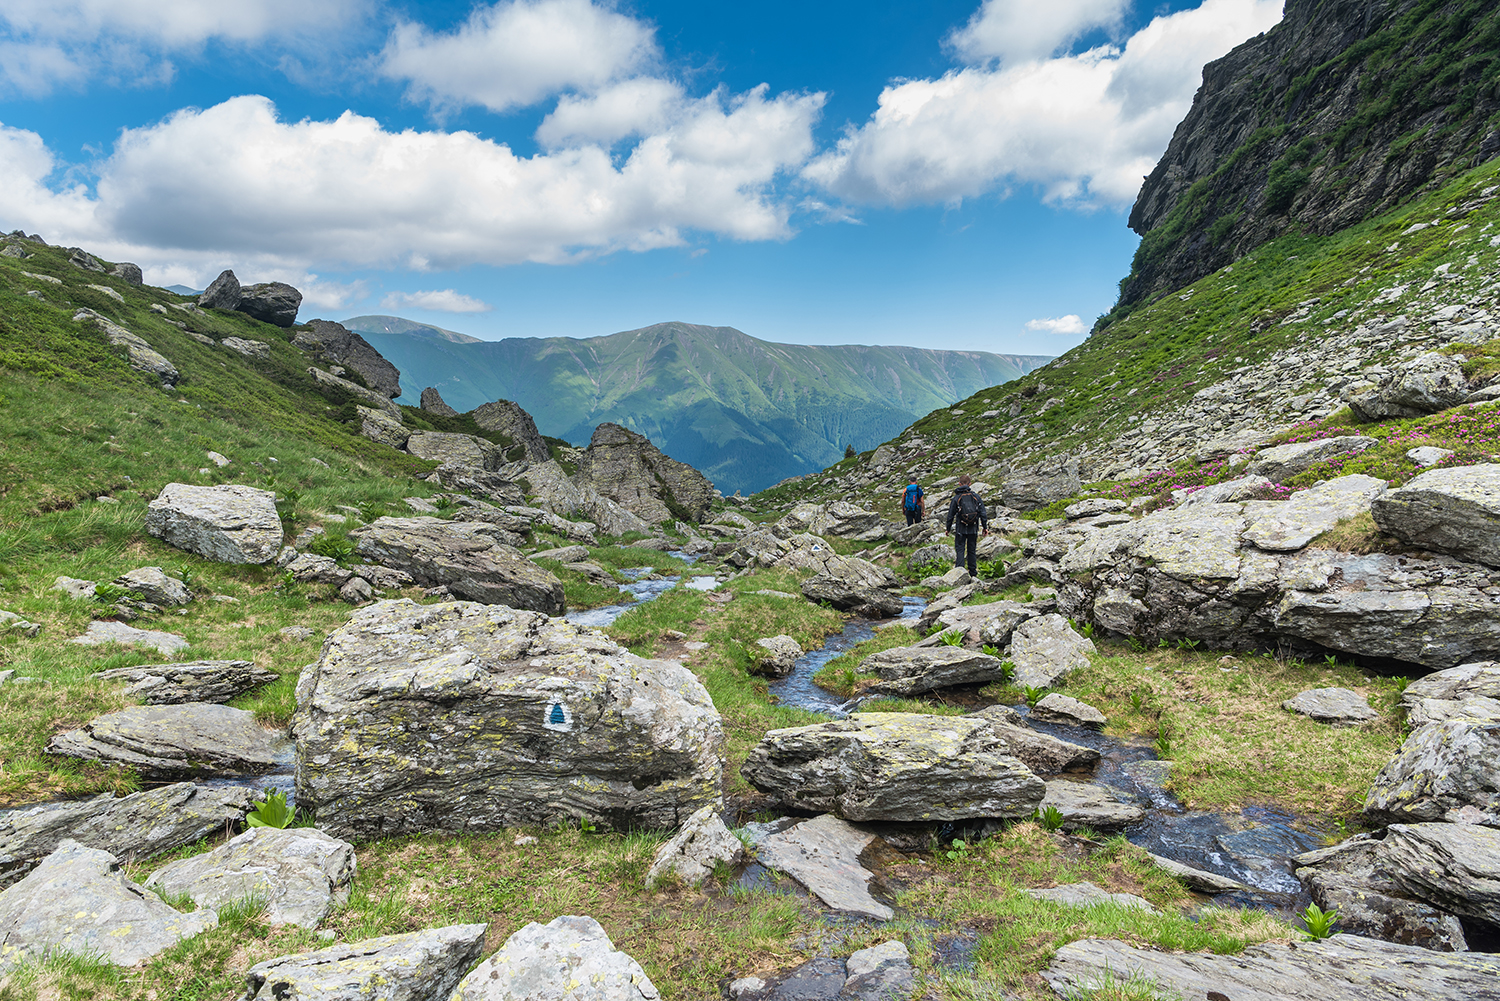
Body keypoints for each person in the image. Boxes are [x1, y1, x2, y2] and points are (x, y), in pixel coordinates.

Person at [945, 474, 989, 576]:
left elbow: (950, 515)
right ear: (970, 484)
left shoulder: (956, 498)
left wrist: (948, 528)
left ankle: (960, 573)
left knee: (960, 549)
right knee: (971, 550)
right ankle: (973, 573)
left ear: (959, 484)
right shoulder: (976, 497)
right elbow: (983, 513)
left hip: (961, 527)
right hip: (973, 527)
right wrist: (985, 527)